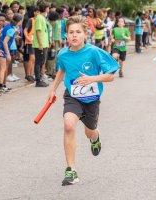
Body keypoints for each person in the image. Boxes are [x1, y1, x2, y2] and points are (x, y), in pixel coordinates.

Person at [47, 15, 119, 186]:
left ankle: (95, 138)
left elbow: (110, 77)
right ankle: (71, 170)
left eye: (78, 32)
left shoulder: (94, 52)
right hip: (72, 96)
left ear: (85, 34)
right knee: (69, 125)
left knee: (90, 131)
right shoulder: (63, 54)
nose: (74, 35)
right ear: (66, 35)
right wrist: (52, 90)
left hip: (91, 99)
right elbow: (61, 70)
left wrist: (92, 78)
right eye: (71, 32)